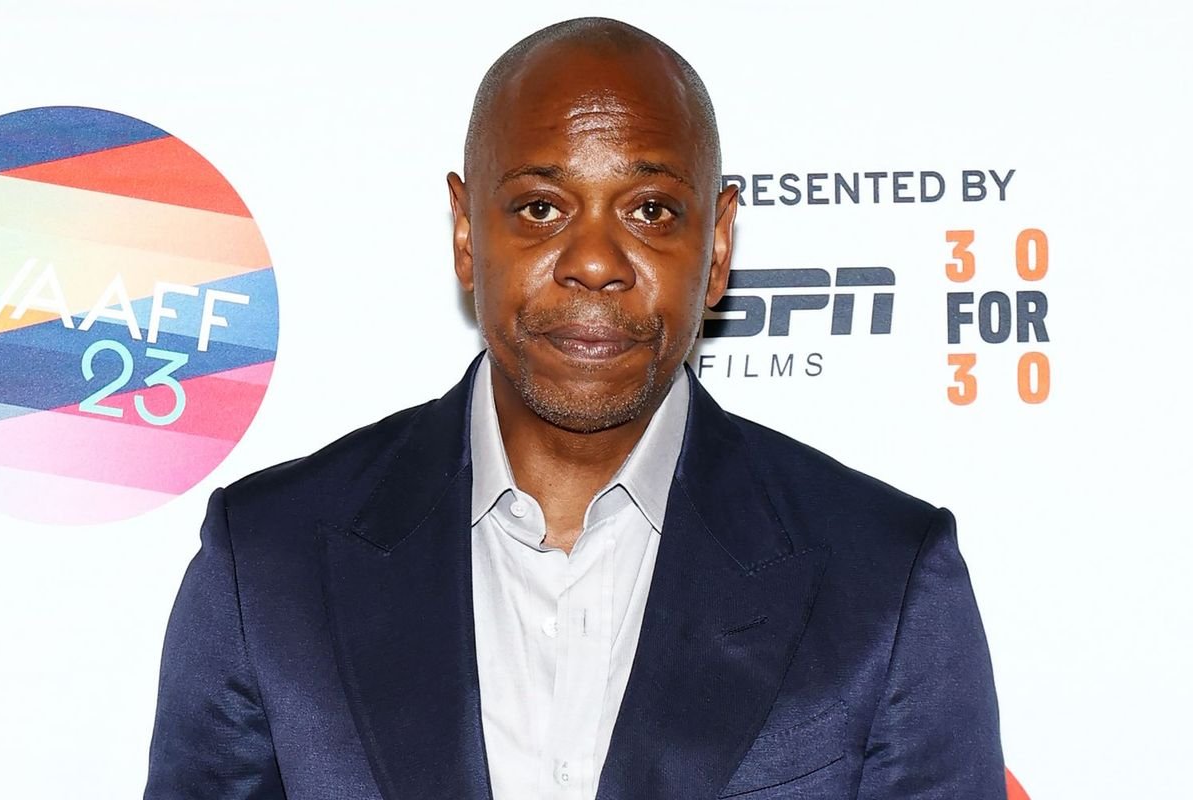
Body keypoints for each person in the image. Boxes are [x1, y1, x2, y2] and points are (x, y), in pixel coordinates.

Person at [144, 16, 1005, 800]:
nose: (594, 261)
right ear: (466, 233)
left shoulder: (885, 581)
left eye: (651, 210)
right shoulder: (269, 563)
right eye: (541, 208)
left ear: (717, 246)